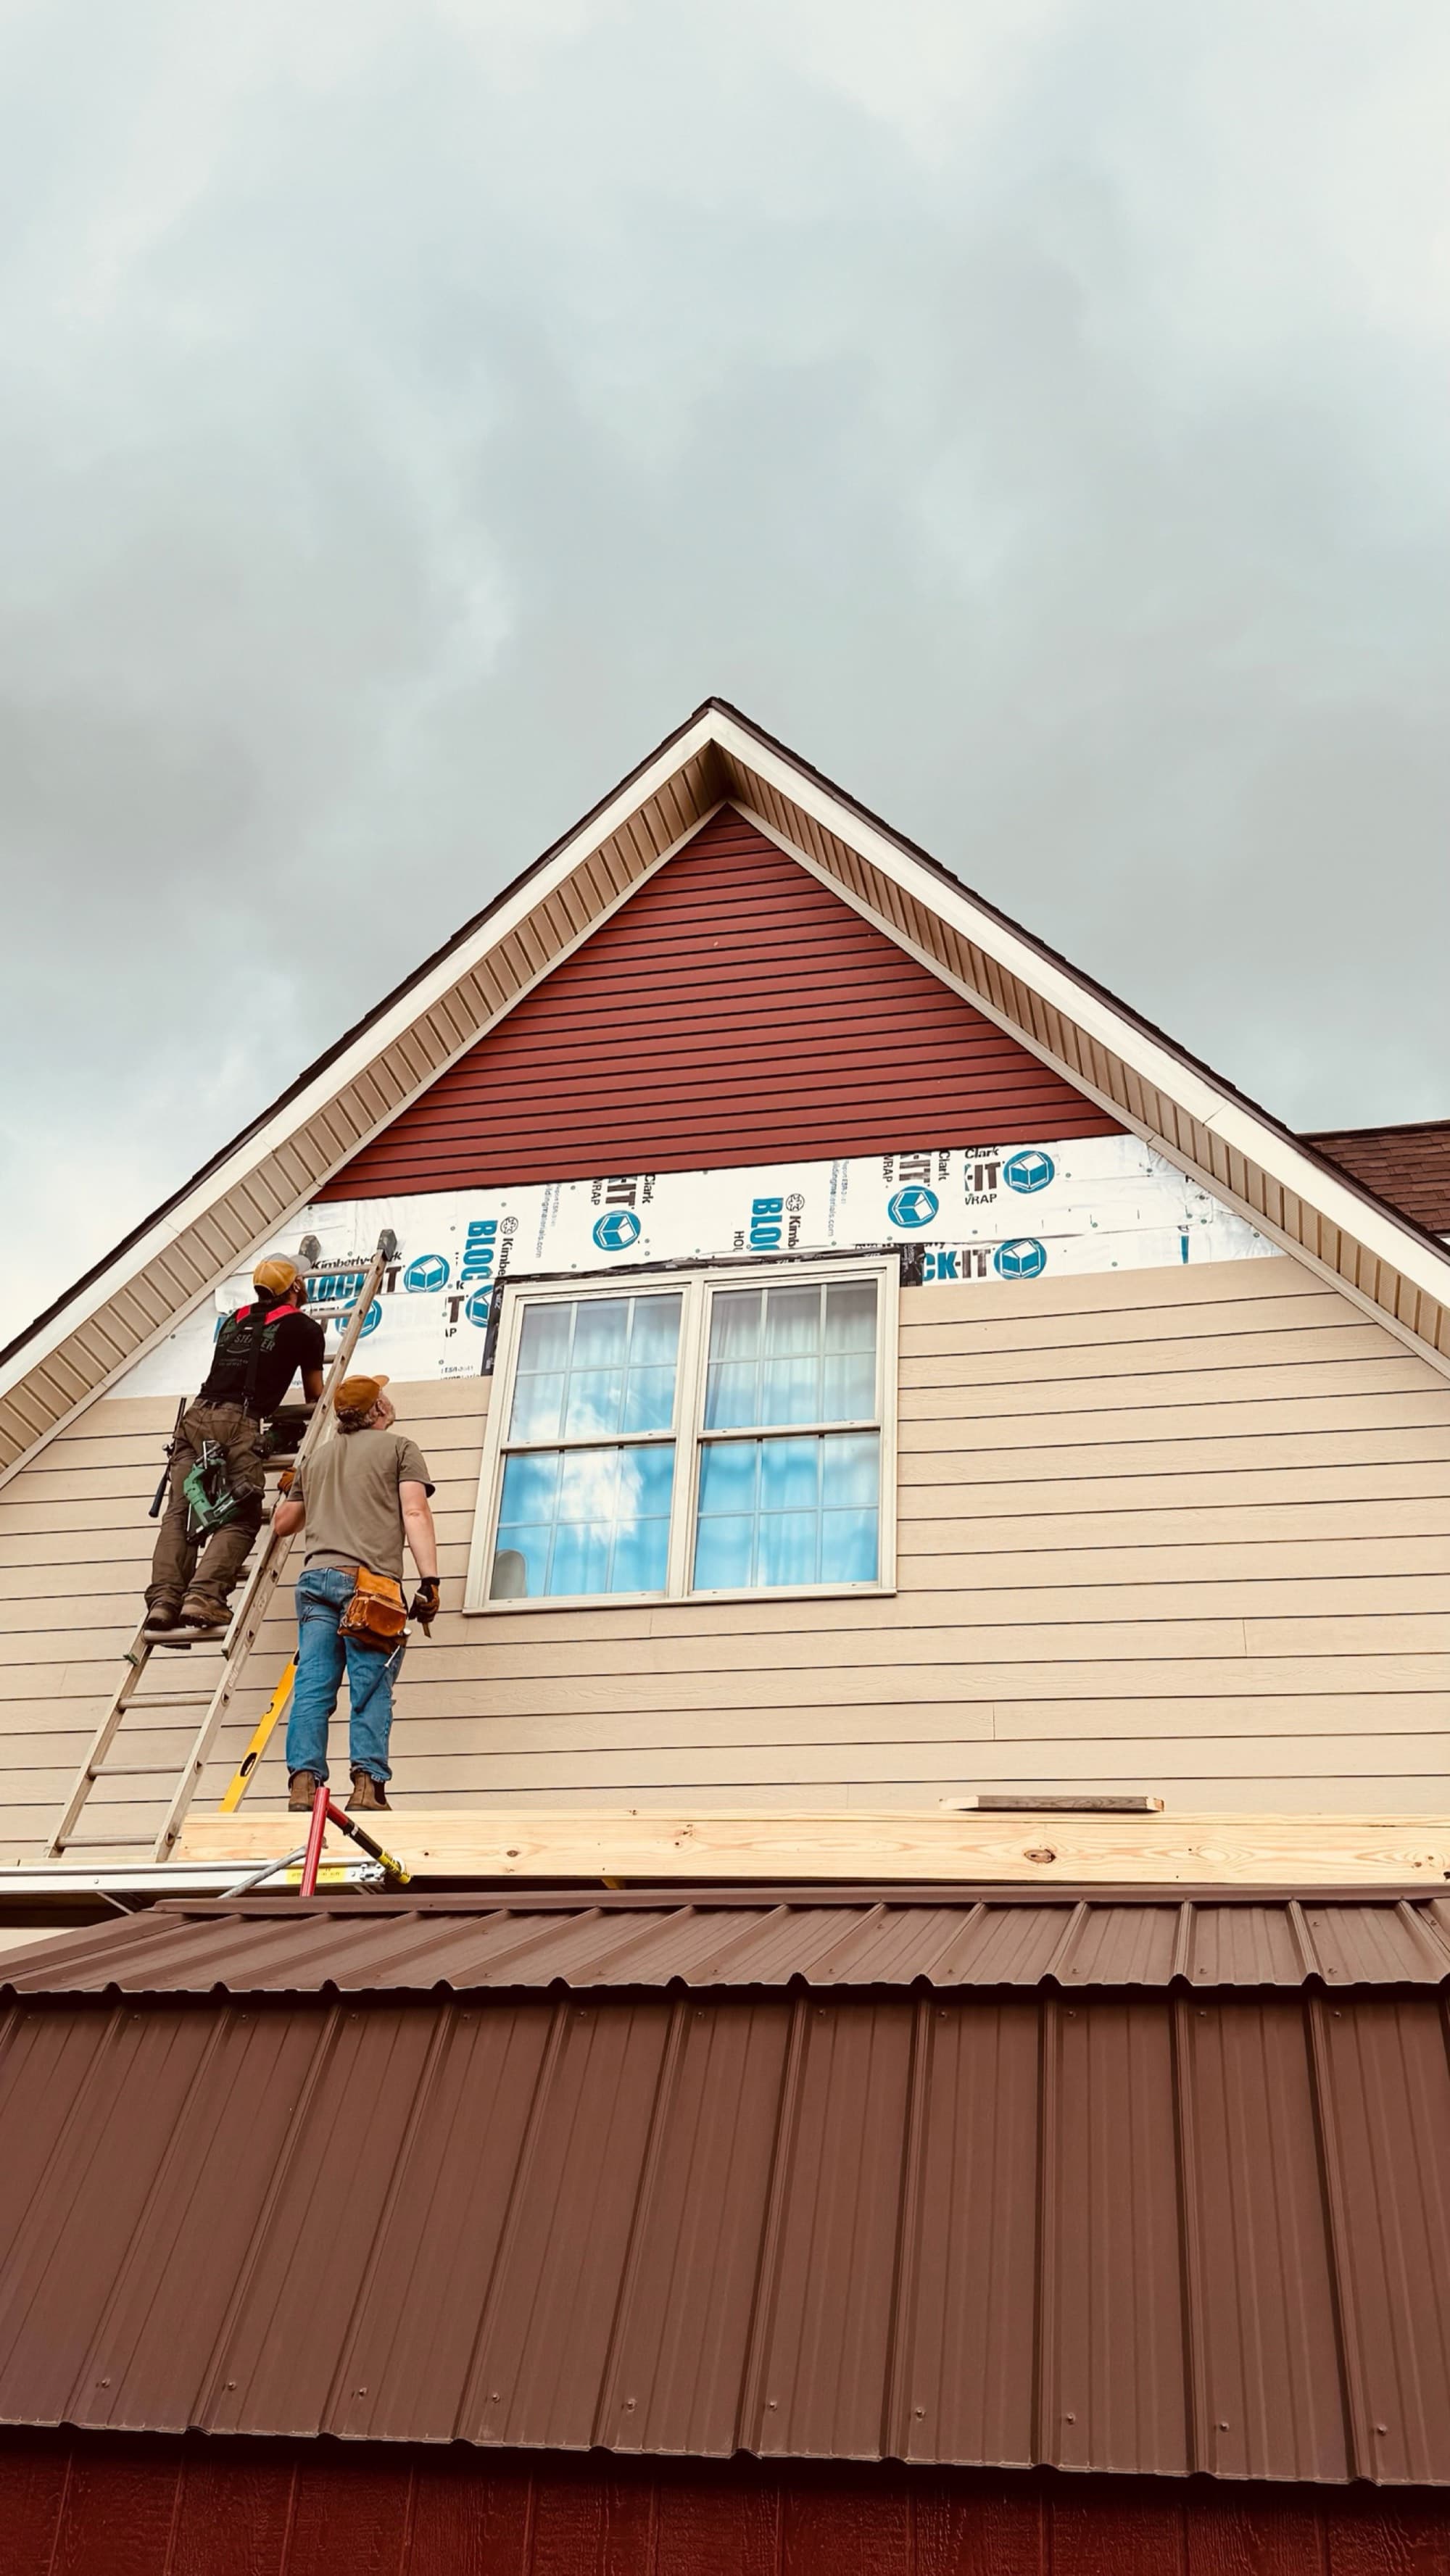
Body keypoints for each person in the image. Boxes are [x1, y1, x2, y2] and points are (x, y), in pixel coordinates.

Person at [270, 1373, 439, 1812]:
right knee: (370, 1686)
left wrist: (296, 1485)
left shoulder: (318, 1459)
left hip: (316, 1582)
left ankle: (303, 1787)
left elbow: (283, 1524)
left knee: (313, 1686)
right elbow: (415, 1512)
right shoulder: (400, 1449)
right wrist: (429, 1580)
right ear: (379, 1408)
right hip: (369, 1586)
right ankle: (367, 1789)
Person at [146, 1255, 326, 1632]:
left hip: (194, 1418)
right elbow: (315, 1396)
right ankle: (205, 1596)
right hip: (237, 1421)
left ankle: (164, 1600)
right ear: (295, 1286)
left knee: (180, 1513)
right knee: (242, 1515)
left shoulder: (234, 1320)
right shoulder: (304, 1328)